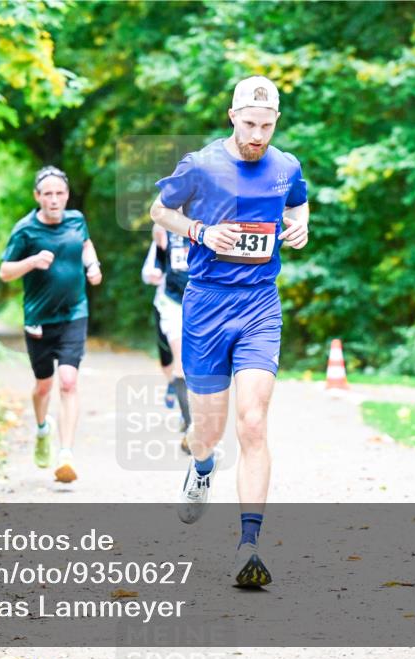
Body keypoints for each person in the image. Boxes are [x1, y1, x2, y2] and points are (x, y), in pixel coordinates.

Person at [150, 76, 309, 587]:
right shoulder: (201, 164)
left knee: (254, 421)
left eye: (267, 125)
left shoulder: (287, 166)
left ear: (276, 121)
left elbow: (298, 202)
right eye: (249, 123)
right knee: (209, 431)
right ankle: (200, 469)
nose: (258, 134)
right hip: (206, 303)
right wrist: (200, 231)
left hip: (261, 303)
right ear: (232, 116)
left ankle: (249, 546)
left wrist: (300, 224)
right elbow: (159, 210)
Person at [0, 166, 102, 483]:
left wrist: (93, 265)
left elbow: (85, 244)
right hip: (39, 320)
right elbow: (5, 271)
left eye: (60, 193)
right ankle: (43, 428)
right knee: (44, 385)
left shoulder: (76, 220)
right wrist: (31, 262)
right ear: (37, 197)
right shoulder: (25, 230)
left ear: (66, 195)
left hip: (74, 312)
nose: (54, 199)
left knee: (68, 381)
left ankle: (66, 454)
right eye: (48, 194)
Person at [142, 225, 192, 449]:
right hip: (171, 303)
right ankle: (191, 425)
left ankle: (189, 410)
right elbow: (151, 270)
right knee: (174, 362)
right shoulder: (164, 231)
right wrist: (154, 271)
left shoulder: (208, 226)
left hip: (202, 303)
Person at [141, 240, 177, 410]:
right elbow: (146, 272)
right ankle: (172, 381)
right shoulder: (163, 239)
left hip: (190, 305)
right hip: (164, 303)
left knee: (185, 355)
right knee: (166, 357)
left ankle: (186, 410)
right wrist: (153, 274)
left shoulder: (201, 236)